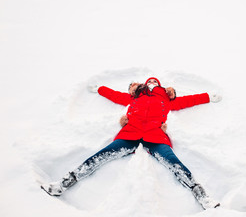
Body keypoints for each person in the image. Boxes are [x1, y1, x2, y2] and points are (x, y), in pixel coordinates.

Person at [41, 77, 222, 209]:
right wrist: (100, 89)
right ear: (144, 85)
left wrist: (208, 96)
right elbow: (115, 96)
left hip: (155, 135)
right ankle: (63, 183)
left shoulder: (166, 99)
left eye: (154, 82)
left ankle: (202, 195)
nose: (151, 84)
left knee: (173, 162)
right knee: (100, 156)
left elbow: (189, 101)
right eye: (149, 82)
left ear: (159, 85)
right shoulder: (135, 96)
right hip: (130, 133)